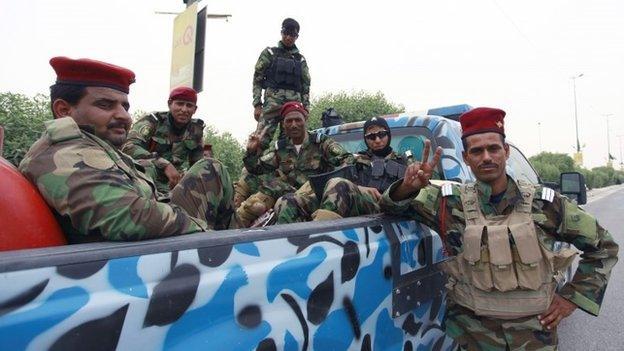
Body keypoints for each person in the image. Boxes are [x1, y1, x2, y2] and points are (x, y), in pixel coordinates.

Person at [380, 107, 618, 350]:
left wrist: (571, 297)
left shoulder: (545, 203)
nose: (486, 157)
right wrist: (408, 187)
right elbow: (391, 205)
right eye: (477, 151)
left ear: (505, 151)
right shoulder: (447, 203)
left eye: (493, 148)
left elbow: (604, 247)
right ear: (465, 157)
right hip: (473, 337)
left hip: (534, 337)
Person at [19, 57, 233, 243]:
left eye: (125, 106)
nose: (124, 116)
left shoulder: (93, 142)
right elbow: (130, 216)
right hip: (143, 251)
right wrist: (208, 232)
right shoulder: (62, 151)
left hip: (158, 216)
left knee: (211, 168)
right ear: (64, 110)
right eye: (105, 105)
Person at [274, 116, 413, 223]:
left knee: (338, 185)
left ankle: (318, 244)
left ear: (388, 135)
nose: (377, 140)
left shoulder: (405, 162)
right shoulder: (355, 160)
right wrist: (359, 188)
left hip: (383, 210)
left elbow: (416, 192)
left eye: (381, 134)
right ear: (365, 139)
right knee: (287, 201)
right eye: (371, 136)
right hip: (353, 209)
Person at [236, 101, 353, 227]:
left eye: (298, 120)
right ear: (283, 124)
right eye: (289, 121)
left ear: (305, 121)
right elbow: (256, 168)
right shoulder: (281, 148)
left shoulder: (320, 142)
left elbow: (347, 160)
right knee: (271, 184)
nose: (294, 125)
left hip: (315, 195)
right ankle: (247, 214)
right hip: (290, 194)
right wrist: (251, 151)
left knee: (288, 198)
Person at [122, 86, 204, 194]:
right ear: (170, 104)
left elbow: (197, 165)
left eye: (189, 105)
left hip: (172, 183)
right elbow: (128, 146)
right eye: (179, 104)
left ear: (195, 109)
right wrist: (164, 164)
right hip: (143, 176)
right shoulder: (153, 121)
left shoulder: (195, 130)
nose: (184, 110)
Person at [252, 18, 311, 150]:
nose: (288, 37)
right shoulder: (270, 53)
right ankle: (253, 170)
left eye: (292, 35)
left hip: (293, 109)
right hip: (271, 106)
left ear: (297, 36)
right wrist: (257, 104)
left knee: (290, 145)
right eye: (286, 33)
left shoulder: (300, 60)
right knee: (259, 141)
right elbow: (257, 79)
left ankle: (286, 170)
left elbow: (306, 86)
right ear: (282, 32)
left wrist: (306, 108)